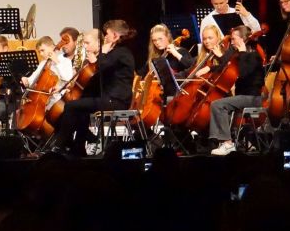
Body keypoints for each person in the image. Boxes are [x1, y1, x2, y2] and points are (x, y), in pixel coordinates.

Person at [54, 21, 136, 157]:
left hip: (116, 100)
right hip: (108, 98)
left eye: (107, 34)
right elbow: (99, 77)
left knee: (70, 106)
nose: (105, 37)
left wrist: (97, 57)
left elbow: (102, 67)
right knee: (81, 110)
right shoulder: (115, 53)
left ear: (115, 35)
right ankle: (78, 148)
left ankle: (59, 146)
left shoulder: (122, 53)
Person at [209, 26, 266, 156]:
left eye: (234, 39)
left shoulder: (254, 56)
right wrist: (214, 64)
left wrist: (242, 53)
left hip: (252, 98)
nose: (232, 42)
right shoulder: (240, 55)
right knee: (217, 103)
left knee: (217, 105)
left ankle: (227, 143)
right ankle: (220, 141)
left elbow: (244, 72)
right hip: (242, 97)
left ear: (242, 39)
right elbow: (228, 68)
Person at [139, 24, 195, 98]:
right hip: (159, 94)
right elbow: (143, 76)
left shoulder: (181, 51)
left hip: (179, 95)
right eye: (154, 40)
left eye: (160, 39)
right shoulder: (156, 56)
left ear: (168, 37)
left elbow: (192, 66)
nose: (157, 43)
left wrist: (175, 53)